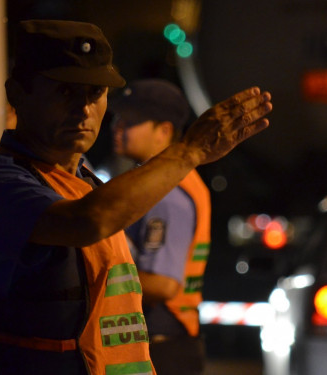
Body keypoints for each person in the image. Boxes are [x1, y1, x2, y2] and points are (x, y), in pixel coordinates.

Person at [0, 19, 271, 375]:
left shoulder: (87, 183)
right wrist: (189, 152)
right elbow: (86, 221)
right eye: (65, 92)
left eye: (95, 93)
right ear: (18, 94)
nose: (84, 110)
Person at [109, 79, 210, 375]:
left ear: (163, 131)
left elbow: (164, 284)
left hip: (163, 347)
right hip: (168, 343)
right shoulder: (163, 183)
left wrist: (97, 278)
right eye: (117, 118)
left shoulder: (165, 192)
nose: (117, 127)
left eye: (131, 121)